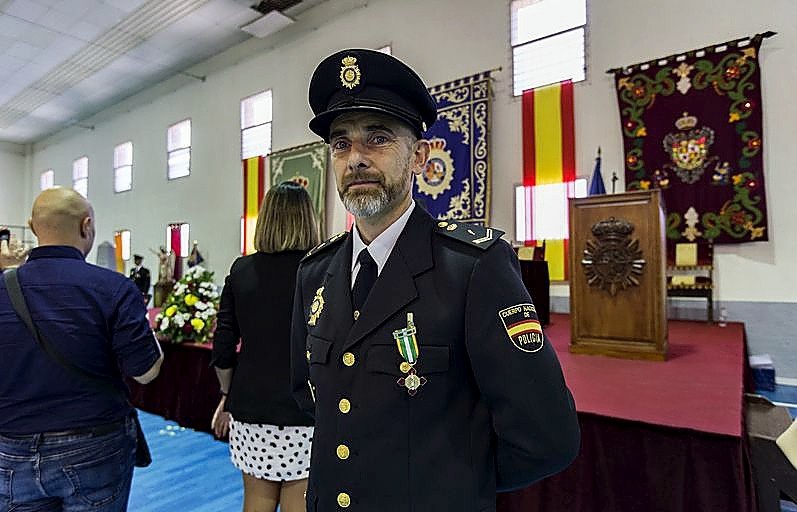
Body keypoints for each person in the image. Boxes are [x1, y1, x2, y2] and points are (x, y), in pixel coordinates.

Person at [290, 49, 580, 511]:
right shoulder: (315, 273)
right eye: (341, 143)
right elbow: (312, 401)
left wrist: (450, 484)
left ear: (419, 157)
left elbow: (547, 436)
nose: (356, 159)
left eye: (378, 138)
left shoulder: (472, 268)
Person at [0, 188, 164, 511]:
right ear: (86, 225)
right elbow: (146, 372)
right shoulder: (114, 288)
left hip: (10, 445)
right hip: (94, 443)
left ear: (32, 227)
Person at [212, 181, 320, 512]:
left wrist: (226, 395)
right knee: (298, 502)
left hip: (252, 405)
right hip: (306, 405)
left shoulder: (241, 270)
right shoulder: (322, 269)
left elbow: (223, 346)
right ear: (308, 219)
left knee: (256, 501)